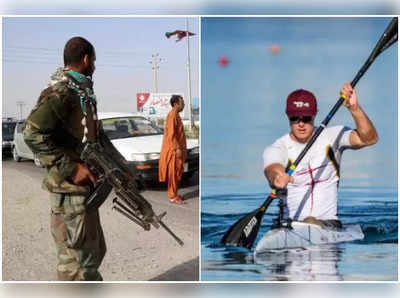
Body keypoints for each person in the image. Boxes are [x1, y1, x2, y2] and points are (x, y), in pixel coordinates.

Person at [23, 36, 106, 280]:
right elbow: (32, 134)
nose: (94, 66)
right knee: (78, 267)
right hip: (70, 191)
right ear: (86, 59)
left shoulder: (80, 92)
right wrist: (72, 168)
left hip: (80, 192)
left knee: (90, 256)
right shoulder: (62, 92)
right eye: (94, 61)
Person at [263, 83, 378, 229]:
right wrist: (277, 178)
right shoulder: (278, 147)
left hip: (328, 224)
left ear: (315, 114)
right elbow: (272, 168)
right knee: (306, 222)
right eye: (295, 118)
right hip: (289, 227)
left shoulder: (333, 136)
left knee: (311, 221)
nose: (301, 124)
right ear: (288, 116)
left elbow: (370, 139)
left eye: (306, 118)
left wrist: (354, 109)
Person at [159, 95, 187, 204]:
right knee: (173, 174)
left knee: (177, 173)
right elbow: (171, 135)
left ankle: (174, 193)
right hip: (173, 151)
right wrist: (177, 148)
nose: (183, 105)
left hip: (177, 149)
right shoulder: (172, 116)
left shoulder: (176, 115)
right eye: (182, 103)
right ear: (176, 104)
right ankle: (172, 196)